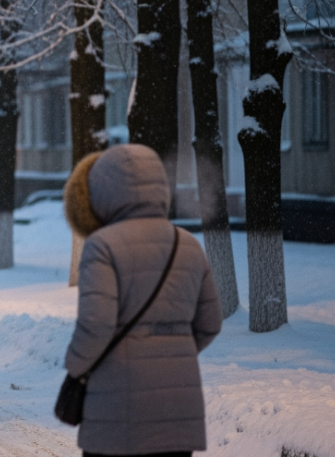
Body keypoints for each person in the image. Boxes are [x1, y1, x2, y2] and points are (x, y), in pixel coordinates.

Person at [63, 143, 223, 457]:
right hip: (178, 410)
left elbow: (96, 325)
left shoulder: (102, 246)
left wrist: (74, 366)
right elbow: (210, 323)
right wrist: (171, 348)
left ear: (102, 191)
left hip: (118, 411)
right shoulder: (187, 244)